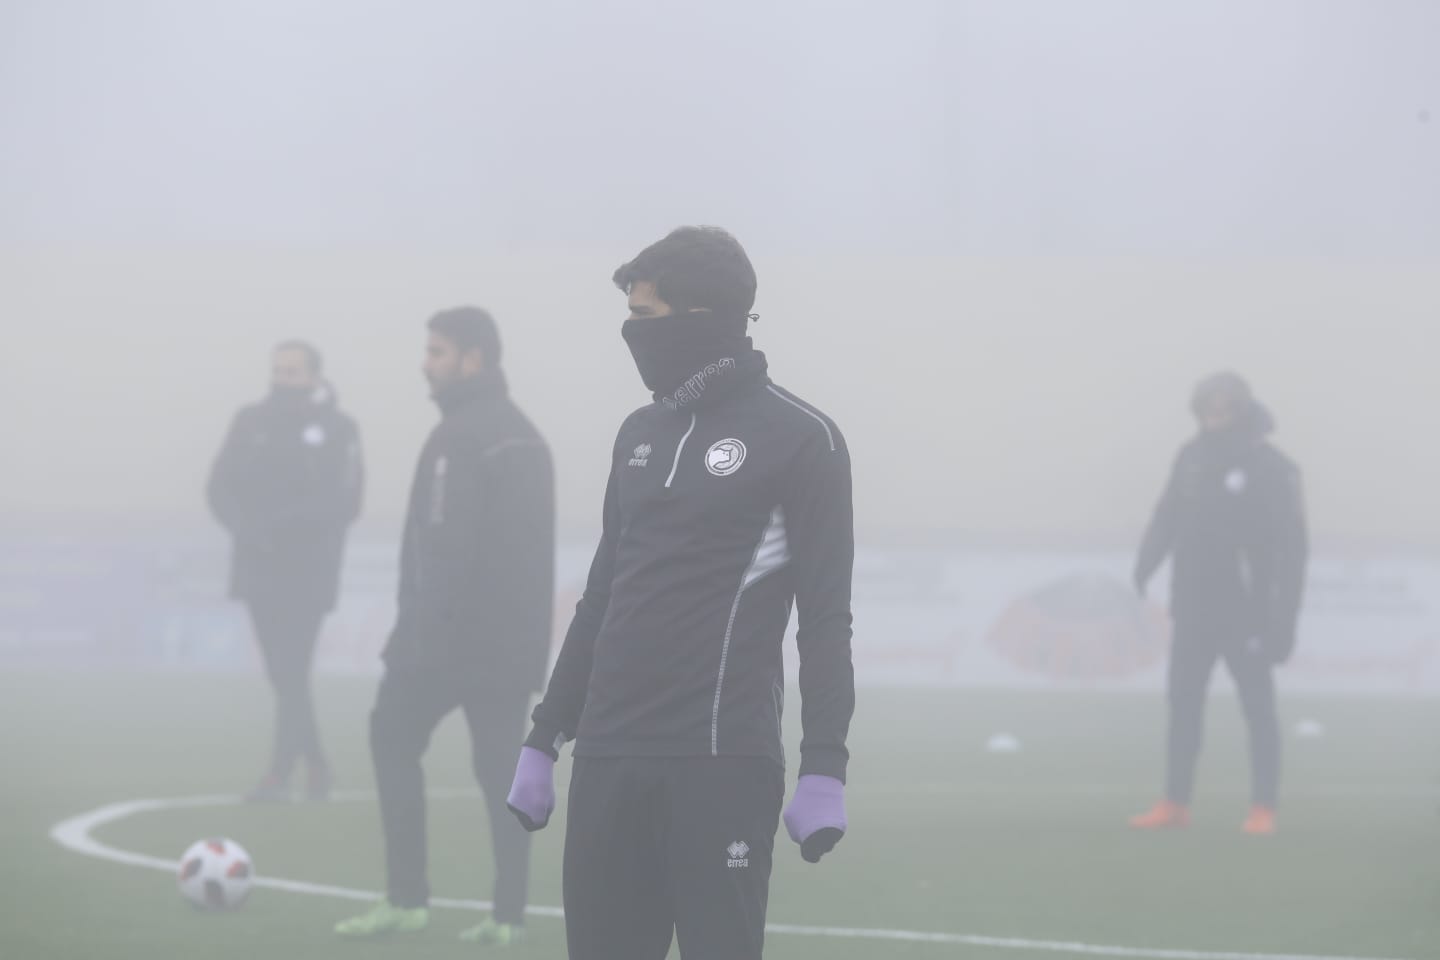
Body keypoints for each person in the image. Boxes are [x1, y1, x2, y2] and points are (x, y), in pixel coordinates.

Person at [505, 226, 856, 959]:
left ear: (706, 320)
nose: (633, 335)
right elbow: (603, 596)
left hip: (720, 763)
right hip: (606, 759)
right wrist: (547, 735)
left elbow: (824, 620)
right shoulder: (639, 432)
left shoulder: (803, 439)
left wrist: (826, 764)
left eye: (646, 316)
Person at [335, 307, 554, 947]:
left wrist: (412, 639)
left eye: (437, 351)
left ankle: (407, 901)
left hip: (445, 646)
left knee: (390, 739)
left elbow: (442, 547)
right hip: (509, 651)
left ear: (473, 359)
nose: (425, 363)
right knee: (500, 778)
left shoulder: (457, 437)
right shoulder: (527, 436)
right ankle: (508, 917)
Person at [1130, 372, 1308, 836]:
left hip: (1247, 614)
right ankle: (1175, 802)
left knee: (1258, 708)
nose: (1215, 413)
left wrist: (1281, 623)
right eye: (1208, 405)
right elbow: (1166, 514)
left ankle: (1263, 808)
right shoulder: (1190, 457)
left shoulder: (1273, 468)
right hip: (1192, 607)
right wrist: (1146, 562)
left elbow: (1292, 552)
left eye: (1225, 406)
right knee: (1183, 703)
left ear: (1242, 409)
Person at [207, 340, 364, 803]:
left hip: (308, 573)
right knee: (283, 674)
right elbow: (218, 486)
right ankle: (315, 764)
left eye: (293, 371)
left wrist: (288, 527)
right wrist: (245, 528)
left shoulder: (340, 428)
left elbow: (346, 500)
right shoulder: (249, 422)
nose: (283, 378)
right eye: (278, 369)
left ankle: (280, 774)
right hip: (258, 569)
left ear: (314, 376)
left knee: (290, 671)